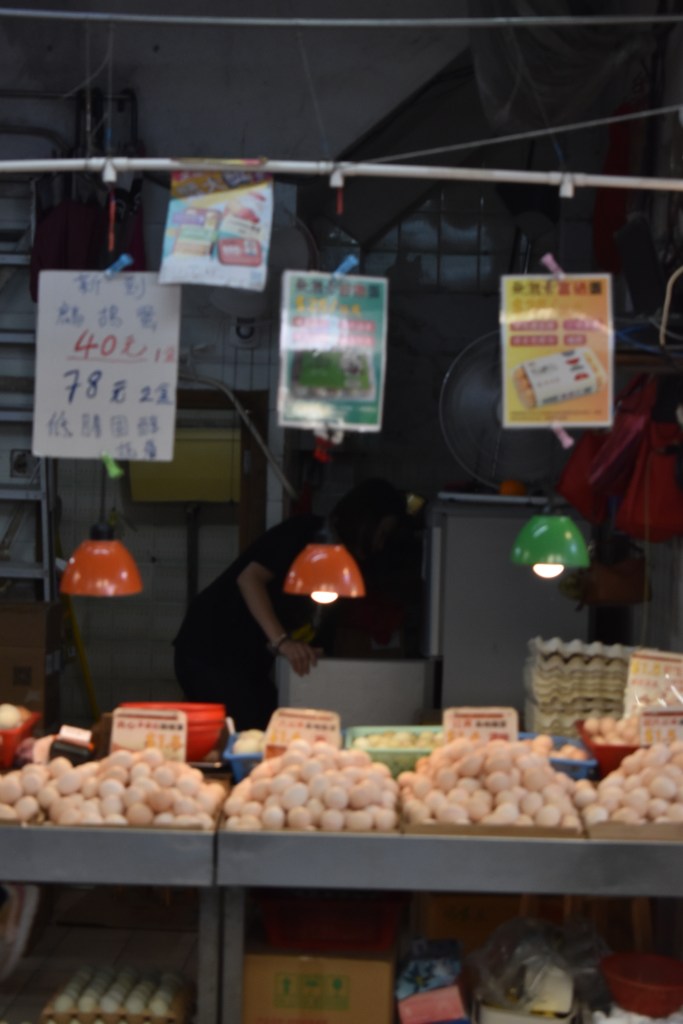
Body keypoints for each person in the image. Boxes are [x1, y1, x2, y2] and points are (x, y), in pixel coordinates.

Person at [172, 478, 407, 730]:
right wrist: (282, 642)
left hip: (247, 661)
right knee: (252, 727)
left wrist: (310, 653)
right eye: (381, 534)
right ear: (365, 522)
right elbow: (249, 579)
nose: (380, 545)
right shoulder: (302, 533)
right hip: (209, 647)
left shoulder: (343, 567)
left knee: (272, 722)